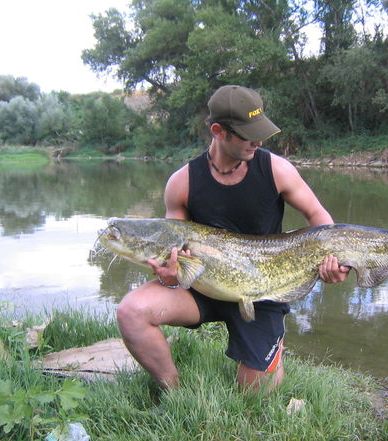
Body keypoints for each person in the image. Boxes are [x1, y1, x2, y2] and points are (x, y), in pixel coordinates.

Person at [116, 85, 350, 391]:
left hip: (262, 289)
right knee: (131, 311)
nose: (259, 140)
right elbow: (173, 246)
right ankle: (173, 391)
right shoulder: (182, 182)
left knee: (255, 392)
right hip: (203, 286)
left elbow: (321, 222)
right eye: (247, 133)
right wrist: (171, 275)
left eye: (260, 130)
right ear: (218, 131)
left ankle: (268, 350)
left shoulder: (277, 170)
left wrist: (332, 261)